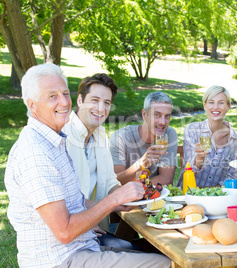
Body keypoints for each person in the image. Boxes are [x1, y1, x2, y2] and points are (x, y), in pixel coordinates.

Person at [5, 63, 171, 267]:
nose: (63, 102)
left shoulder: (57, 141)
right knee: (164, 264)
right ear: (32, 105)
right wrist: (116, 198)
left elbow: (77, 201)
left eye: (65, 93)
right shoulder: (35, 152)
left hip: (83, 242)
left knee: (158, 251)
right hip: (59, 258)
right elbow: (65, 231)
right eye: (52, 96)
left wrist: (120, 201)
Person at [62, 73, 136, 249]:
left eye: (107, 103)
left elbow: (111, 180)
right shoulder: (63, 136)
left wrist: (124, 197)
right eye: (94, 100)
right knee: (139, 253)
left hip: (97, 228)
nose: (101, 109)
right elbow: (62, 200)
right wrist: (85, 222)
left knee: (140, 248)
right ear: (80, 100)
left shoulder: (100, 135)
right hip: (72, 235)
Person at [177, 85, 237, 187]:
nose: (215, 107)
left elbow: (232, 176)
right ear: (205, 106)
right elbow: (188, 169)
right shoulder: (192, 130)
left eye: (221, 102)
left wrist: (215, 192)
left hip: (217, 197)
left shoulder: (235, 139)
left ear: (228, 107)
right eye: (211, 102)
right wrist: (199, 159)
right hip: (188, 194)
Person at [110, 91, 178, 185]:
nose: (163, 122)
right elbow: (115, 182)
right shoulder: (120, 138)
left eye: (167, 116)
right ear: (144, 114)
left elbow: (166, 179)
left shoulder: (169, 134)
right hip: (127, 198)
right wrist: (141, 164)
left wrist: (141, 189)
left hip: (155, 197)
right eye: (157, 115)